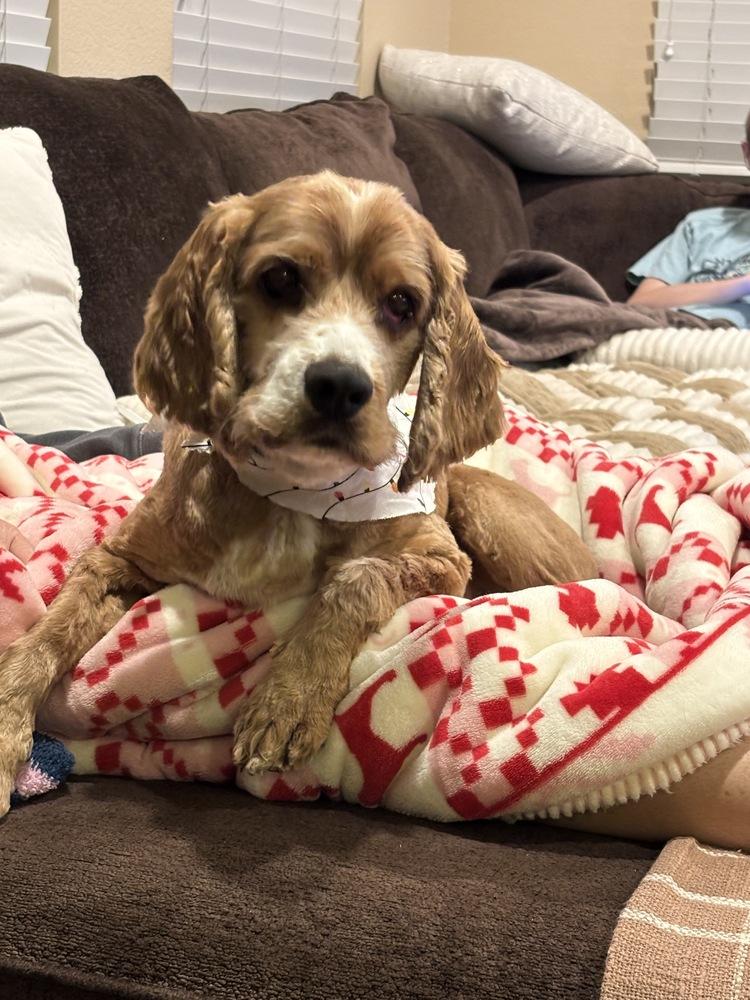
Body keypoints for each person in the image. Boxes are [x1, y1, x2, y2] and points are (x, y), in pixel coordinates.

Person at [627, 112, 750, 327]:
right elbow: (641, 302)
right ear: (747, 153)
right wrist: (742, 285)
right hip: (664, 334)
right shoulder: (702, 226)